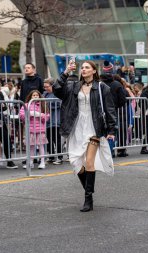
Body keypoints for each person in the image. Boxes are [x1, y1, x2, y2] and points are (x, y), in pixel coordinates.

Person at [53, 60, 116, 212]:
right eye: (82, 68)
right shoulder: (73, 86)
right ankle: (89, 191)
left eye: (87, 67)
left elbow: (110, 109)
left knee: (89, 163)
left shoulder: (102, 88)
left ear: (94, 71)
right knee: (76, 164)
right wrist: (66, 71)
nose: (84, 70)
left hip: (94, 127)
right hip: (76, 128)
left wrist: (112, 130)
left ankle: (88, 198)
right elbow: (56, 89)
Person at [19, 90, 50, 169]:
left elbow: (47, 117)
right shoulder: (26, 105)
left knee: (41, 146)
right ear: (30, 97)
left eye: (37, 95)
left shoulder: (43, 105)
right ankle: (30, 162)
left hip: (40, 129)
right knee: (31, 146)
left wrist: (40, 115)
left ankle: (42, 162)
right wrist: (29, 114)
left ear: (39, 96)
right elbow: (21, 115)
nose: (35, 97)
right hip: (30, 129)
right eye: (34, 95)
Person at [43, 78, 63, 164]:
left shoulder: (57, 93)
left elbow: (59, 103)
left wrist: (47, 105)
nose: (45, 88)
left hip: (56, 120)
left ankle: (59, 157)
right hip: (47, 121)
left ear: (52, 85)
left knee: (56, 139)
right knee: (48, 139)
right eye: (44, 87)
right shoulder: (45, 94)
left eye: (47, 86)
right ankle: (51, 156)